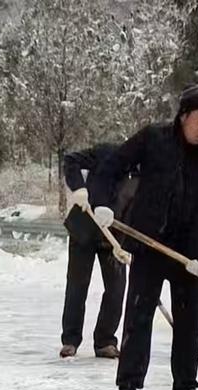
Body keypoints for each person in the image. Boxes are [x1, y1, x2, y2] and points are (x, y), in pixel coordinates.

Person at [92, 84, 198, 390]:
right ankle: (129, 388)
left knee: (189, 319)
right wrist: (102, 203)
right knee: (139, 316)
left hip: (187, 251)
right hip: (149, 243)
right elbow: (112, 165)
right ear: (183, 116)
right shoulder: (154, 139)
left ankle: (184, 387)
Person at [58, 142, 129, 359]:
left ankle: (105, 341)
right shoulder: (109, 152)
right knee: (77, 286)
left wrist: (129, 246)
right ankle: (70, 340)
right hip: (85, 228)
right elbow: (71, 160)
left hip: (115, 237)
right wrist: (79, 188)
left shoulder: (146, 173)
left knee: (116, 288)